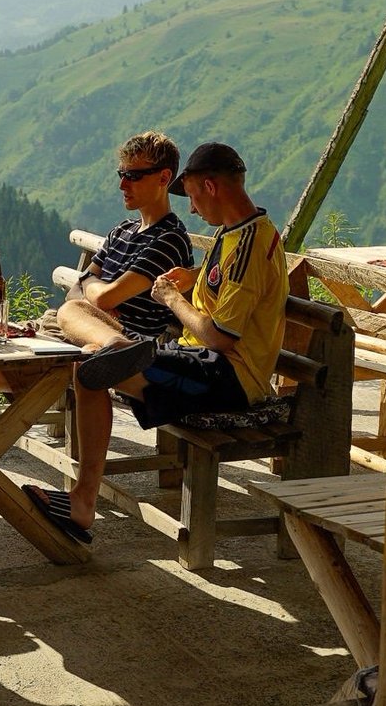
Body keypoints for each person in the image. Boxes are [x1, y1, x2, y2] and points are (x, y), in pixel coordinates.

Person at [26, 141, 288, 544]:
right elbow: (235, 286)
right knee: (80, 334)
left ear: (211, 186)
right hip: (198, 359)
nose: (193, 209)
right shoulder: (235, 234)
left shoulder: (252, 241)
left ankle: (83, 501)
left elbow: (220, 337)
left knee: (90, 369)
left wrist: (171, 298)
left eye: (195, 197)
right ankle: (116, 347)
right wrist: (196, 275)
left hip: (228, 376)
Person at [21, 131, 192, 543]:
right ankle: (107, 347)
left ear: (163, 177)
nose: (122, 185)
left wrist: (94, 292)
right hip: (100, 338)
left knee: (69, 322)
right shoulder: (122, 231)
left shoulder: (168, 239)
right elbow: (85, 284)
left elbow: (103, 292)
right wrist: (93, 291)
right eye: (122, 174)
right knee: (57, 333)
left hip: (137, 341)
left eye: (133, 176)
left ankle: (112, 348)